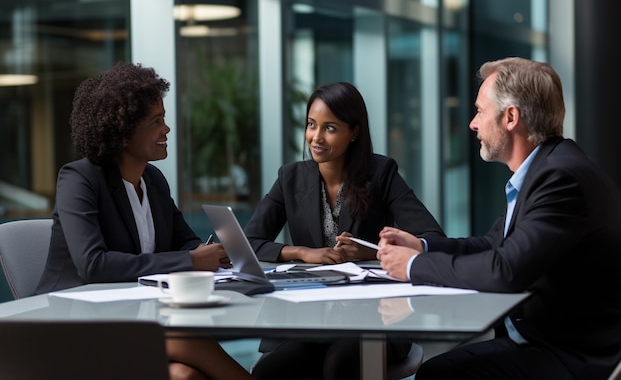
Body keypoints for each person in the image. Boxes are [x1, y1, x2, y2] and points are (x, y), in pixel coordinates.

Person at [377, 57, 621, 380]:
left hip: (577, 355)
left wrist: (411, 266)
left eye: (480, 111)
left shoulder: (560, 178)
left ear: (510, 117)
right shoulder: (547, 168)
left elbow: (505, 271)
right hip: (551, 340)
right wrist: (423, 247)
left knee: (439, 375)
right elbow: (491, 245)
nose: (472, 124)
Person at [35, 62, 253, 380]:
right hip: (70, 322)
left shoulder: (153, 180)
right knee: (185, 339)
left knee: (184, 376)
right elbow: (94, 265)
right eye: (156, 121)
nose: (166, 129)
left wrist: (214, 255)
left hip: (131, 318)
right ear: (123, 133)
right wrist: (190, 261)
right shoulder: (79, 179)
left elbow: (184, 241)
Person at [246, 81, 445, 380]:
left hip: (377, 318)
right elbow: (250, 241)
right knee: (270, 371)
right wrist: (302, 252)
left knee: (340, 363)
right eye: (312, 125)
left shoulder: (381, 174)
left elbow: (432, 238)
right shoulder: (290, 177)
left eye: (330, 128)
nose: (316, 137)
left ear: (354, 132)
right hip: (313, 320)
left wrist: (373, 251)